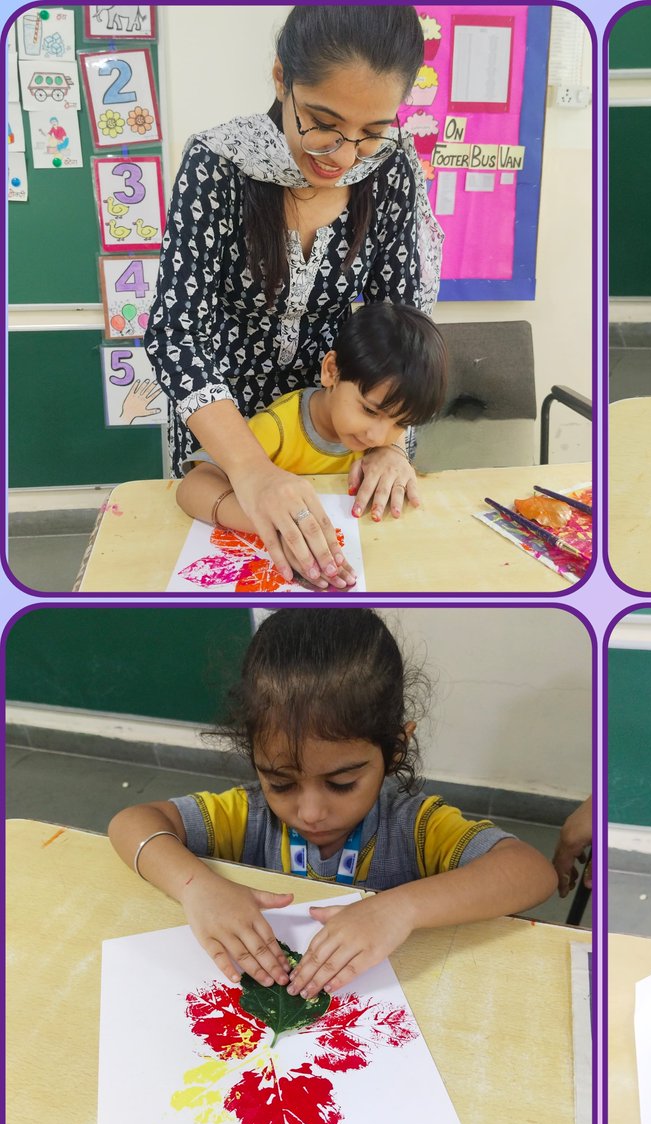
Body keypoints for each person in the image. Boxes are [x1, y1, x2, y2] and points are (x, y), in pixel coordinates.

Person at [108, 609, 557, 999]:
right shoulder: (249, 816)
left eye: (342, 783)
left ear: (395, 751)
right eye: (281, 782)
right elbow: (131, 822)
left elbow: (531, 872)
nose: (310, 812)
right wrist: (195, 886)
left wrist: (401, 909)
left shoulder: (414, 825)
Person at [146, 6, 443, 590]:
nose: (343, 154)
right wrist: (252, 474)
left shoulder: (391, 170)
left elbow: (401, 322)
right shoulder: (218, 166)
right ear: (282, 78)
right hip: (228, 443)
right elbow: (178, 335)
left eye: (373, 131)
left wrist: (389, 444)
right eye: (323, 121)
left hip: (337, 427)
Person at [175, 303, 448, 557]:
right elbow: (192, 487)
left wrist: (394, 453)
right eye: (368, 410)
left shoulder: (381, 446)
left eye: (400, 423)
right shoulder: (278, 427)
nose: (377, 436)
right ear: (331, 371)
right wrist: (268, 521)